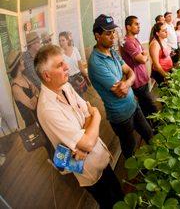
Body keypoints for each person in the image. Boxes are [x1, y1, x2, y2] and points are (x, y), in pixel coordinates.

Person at [35, 44, 123, 208]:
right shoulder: (47, 109)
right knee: (111, 203)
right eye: (60, 65)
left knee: (120, 195)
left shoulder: (65, 86)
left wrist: (85, 134)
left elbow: (87, 119)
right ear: (47, 76)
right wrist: (96, 116)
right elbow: (89, 138)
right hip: (89, 170)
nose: (67, 66)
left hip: (99, 157)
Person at [88, 14, 153, 158]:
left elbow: (130, 71)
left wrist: (127, 82)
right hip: (121, 117)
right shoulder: (96, 63)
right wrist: (127, 81)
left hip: (133, 106)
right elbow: (120, 91)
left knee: (149, 134)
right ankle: (135, 178)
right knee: (130, 149)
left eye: (113, 32)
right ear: (97, 36)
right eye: (107, 33)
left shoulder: (112, 52)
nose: (113, 36)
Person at [121, 16, 158, 119]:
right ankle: (157, 130)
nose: (139, 26)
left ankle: (152, 129)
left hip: (143, 79)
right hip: (137, 82)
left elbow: (144, 54)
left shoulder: (135, 40)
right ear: (128, 27)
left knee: (147, 107)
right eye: (136, 24)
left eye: (139, 24)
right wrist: (144, 56)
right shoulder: (127, 42)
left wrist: (144, 55)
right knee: (151, 107)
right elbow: (142, 58)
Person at [7, 51, 39, 127]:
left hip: (38, 117)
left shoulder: (24, 77)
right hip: (32, 124)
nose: (23, 61)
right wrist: (36, 94)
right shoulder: (15, 87)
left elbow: (36, 89)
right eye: (21, 60)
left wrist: (35, 94)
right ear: (18, 65)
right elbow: (32, 105)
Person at [59, 32, 90, 96]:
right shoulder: (60, 54)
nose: (61, 42)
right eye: (60, 41)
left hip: (79, 78)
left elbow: (80, 66)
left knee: (82, 98)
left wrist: (86, 77)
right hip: (68, 80)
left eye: (63, 40)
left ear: (67, 40)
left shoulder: (75, 49)